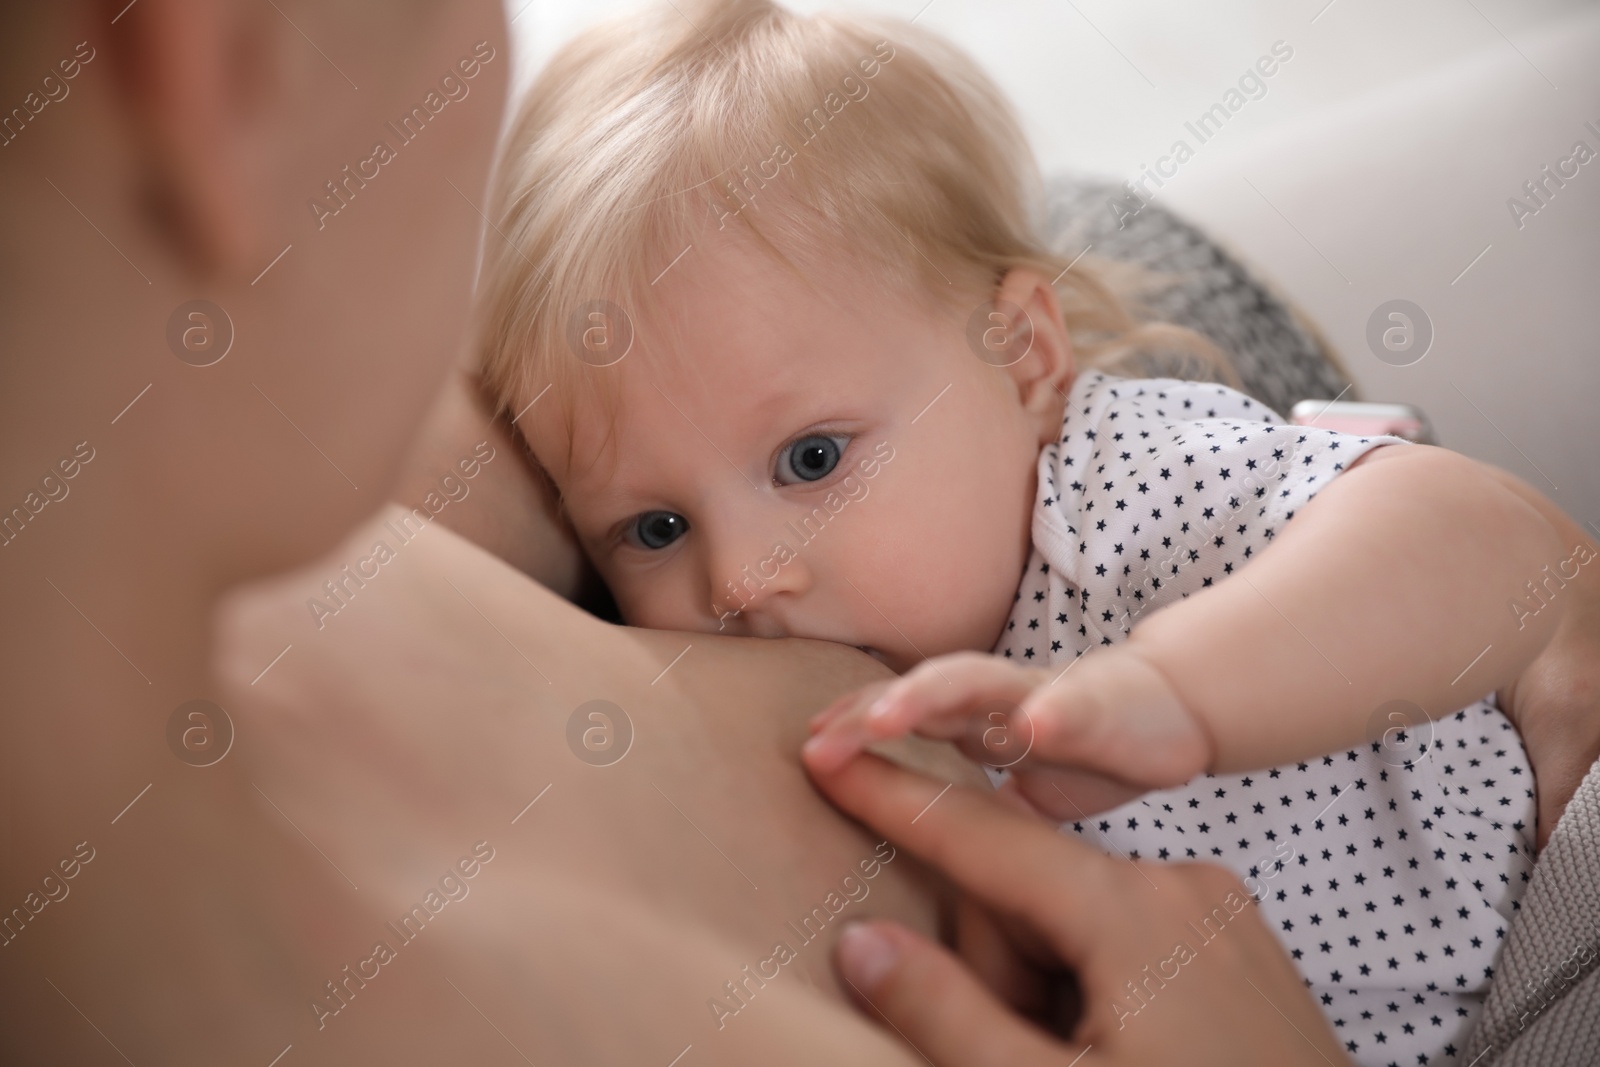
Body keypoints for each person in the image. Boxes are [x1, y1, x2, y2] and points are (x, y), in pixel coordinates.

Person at [1, 2, 1595, 1065]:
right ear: (222, 62)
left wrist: (1181, 690)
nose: (741, 578)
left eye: (814, 459)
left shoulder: (1113, 496)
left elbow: (1485, 544)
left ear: (1030, 361)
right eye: (649, 526)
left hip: (1535, 905)